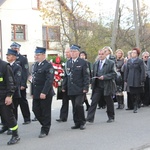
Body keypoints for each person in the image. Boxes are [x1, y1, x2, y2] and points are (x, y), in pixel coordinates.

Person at [62, 44, 89, 130]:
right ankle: (76, 122)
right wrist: (64, 86)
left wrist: (86, 87)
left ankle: (82, 122)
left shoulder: (82, 62)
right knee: (74, 105)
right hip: (71, 88)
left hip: (80, 88)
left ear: (78, 53)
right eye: (71, 51)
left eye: (74, 51)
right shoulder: (68, 63)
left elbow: (86, 76)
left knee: (78, 104)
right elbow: (66, 76)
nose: (72, 53)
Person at [86, 49, 116, 123]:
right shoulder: (96, 63)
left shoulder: (110, 63)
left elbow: (114, 74)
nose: (101, 55)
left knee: (109, 102)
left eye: (102, 54)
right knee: (94, 101)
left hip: (107, 85)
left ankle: (111, 117)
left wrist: (105, 77)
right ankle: (90, 118)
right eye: (99, 54)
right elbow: (93, 74)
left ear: (105, 54)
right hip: (98, 86)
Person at [31, 47, 55, 138]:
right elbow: (33, 80)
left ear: (43, 55)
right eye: (35, 55)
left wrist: (44, 92)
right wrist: (32, 92)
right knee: (35, 110)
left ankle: (45, 129)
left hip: (45, 93)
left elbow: (49, 80)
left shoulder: (48, 65)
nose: (36, 57)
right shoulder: (35, 65)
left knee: (45, 111)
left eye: (38, 55)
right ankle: (45, 123)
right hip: (37, 92)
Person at [0, 49, 22, 135]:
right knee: (3, 117)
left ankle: (15, 135)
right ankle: (5, 126)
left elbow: (11, 82)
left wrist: (9, 95)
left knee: (9, 116)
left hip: (3, 97)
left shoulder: (4, 66)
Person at [10, 42, 31, 124]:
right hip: (13, 85)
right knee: (14, 103)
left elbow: (25, 72)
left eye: (15, 48)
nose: (14, 50)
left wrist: (23, 84)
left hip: (20, 84)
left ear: (18, 49)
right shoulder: (11, 58)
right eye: (13, 48)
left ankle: (27, 118)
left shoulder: (22, 58)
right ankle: (14, 120)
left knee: (23, 102)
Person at [124, 47, 146, 113]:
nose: (133, 54)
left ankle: (136, 105)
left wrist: (142, 79)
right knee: (131, 93)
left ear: (137, 54)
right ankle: (134, 103)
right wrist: (125, 78)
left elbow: (143, 71)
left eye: (134, 53)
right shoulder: (129, 61)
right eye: (132, 52)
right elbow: (126, 70)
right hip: (130, 78)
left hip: (137, 78)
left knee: (137, 93)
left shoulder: (140, 61)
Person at [56, 47, 73, 122]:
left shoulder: (75, 61)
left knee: (76, 103)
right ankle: (63, 117)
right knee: (64, 101)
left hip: (73, 85)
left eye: (68, 52)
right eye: (65, 52)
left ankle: (78, 118)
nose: (66, 54)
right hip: (66, 84)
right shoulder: (65, 62)